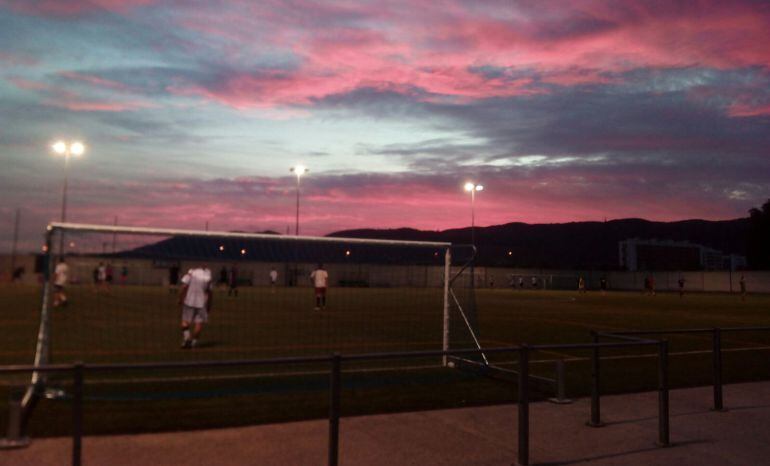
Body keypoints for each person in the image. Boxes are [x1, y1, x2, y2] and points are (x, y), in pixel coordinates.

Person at [178, 266, 213, 349]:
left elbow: (184, 287)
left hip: (189, 301)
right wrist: (209, 305)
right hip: (202, 303)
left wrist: (180, 298)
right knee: (199, 323)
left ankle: (187, 338)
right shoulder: (207, 277)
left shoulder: (191, 273)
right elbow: (210, 293)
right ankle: (193, 343)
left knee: (185, 321)